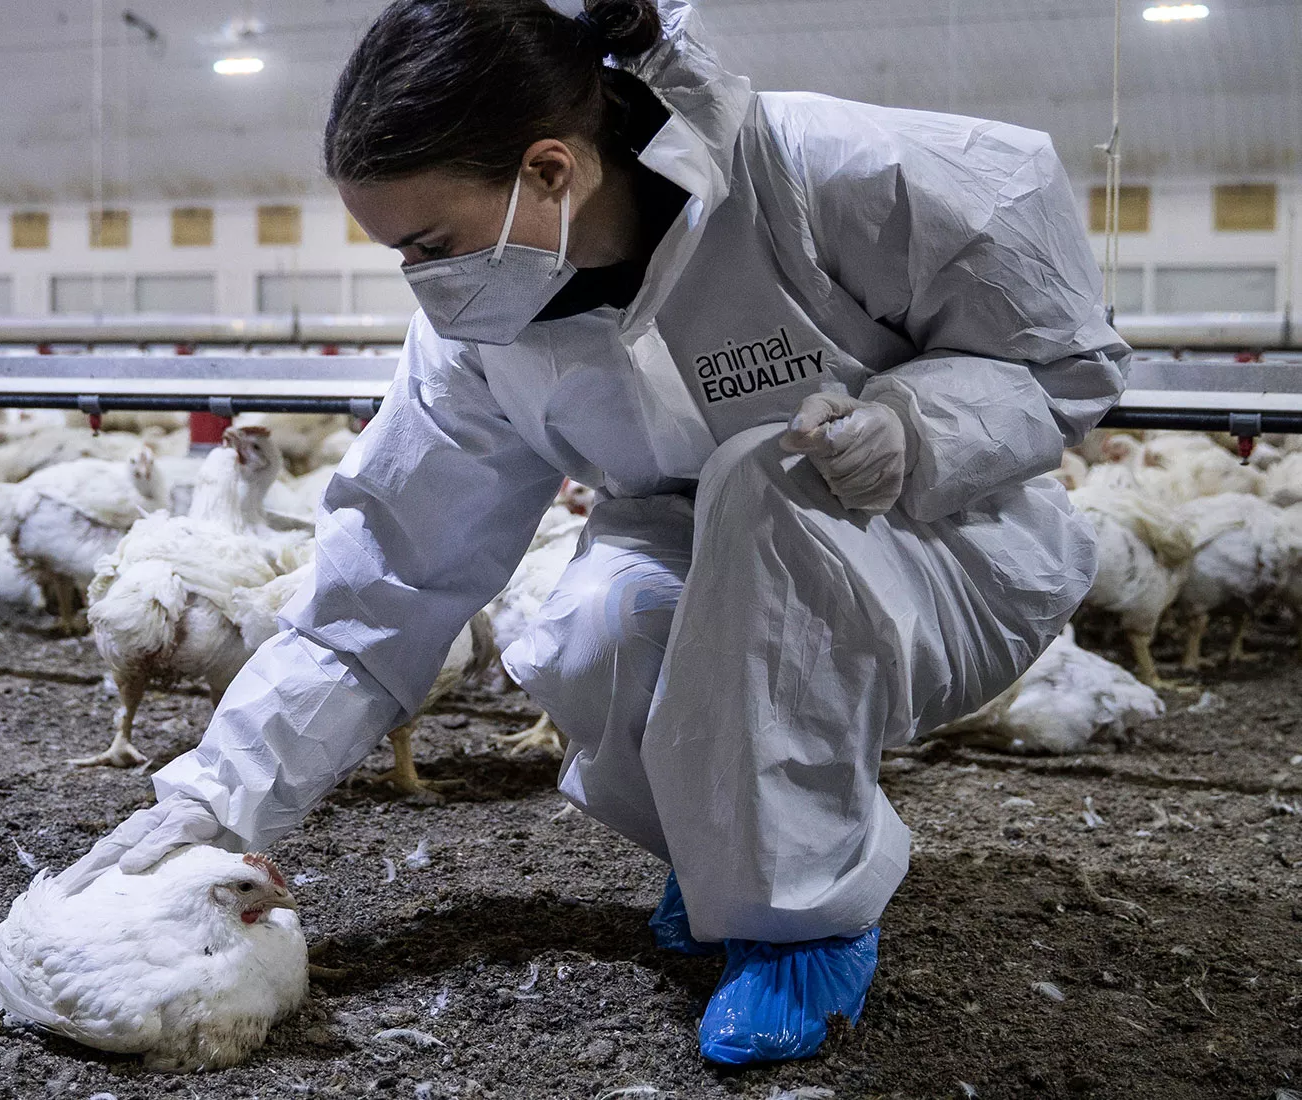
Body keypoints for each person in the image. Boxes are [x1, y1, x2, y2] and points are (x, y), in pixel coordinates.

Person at [59, 0, 1127, 1064]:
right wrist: (214, 794)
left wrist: (916, 424)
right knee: (594, 620)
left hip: (942, 547)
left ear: (550, 172)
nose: (423, 281)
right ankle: (732, 841)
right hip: (715, 551)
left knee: (769, 476)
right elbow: (388, 578)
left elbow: (1066, 358)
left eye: (430, 243)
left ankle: (803, 919)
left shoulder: (830, 173)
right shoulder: (482, 333)